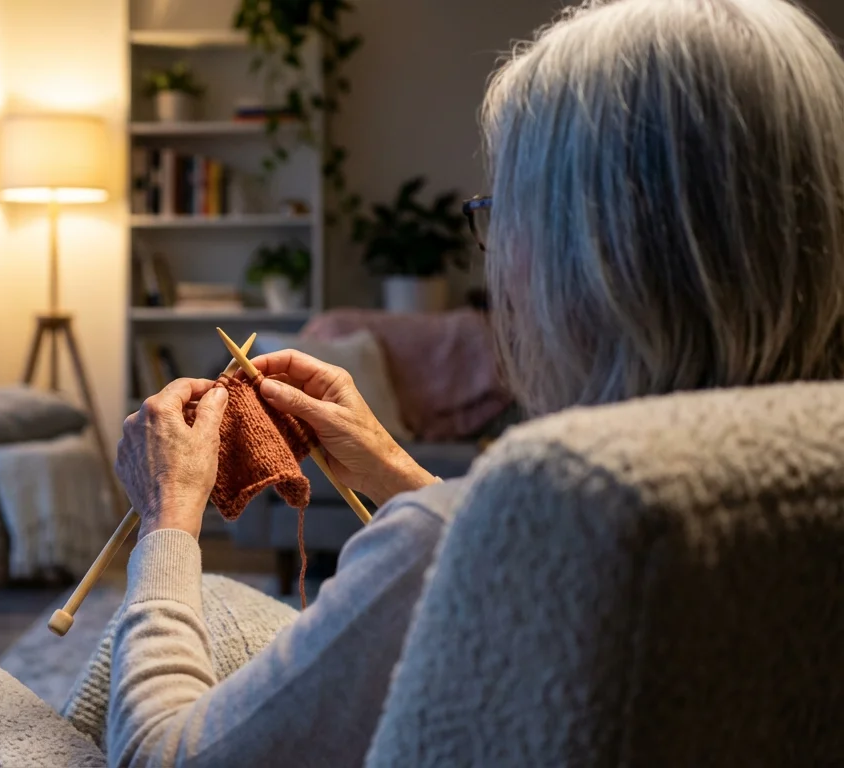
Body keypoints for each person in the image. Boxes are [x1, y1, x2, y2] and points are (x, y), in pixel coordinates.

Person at [106, 0, 844, 765]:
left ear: (587, 255)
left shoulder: (432, 549)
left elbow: (160, 757)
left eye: (500, 212)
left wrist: (167, 521)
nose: (491, 260)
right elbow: (541, 571)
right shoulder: (777, 488)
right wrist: (401, 476)